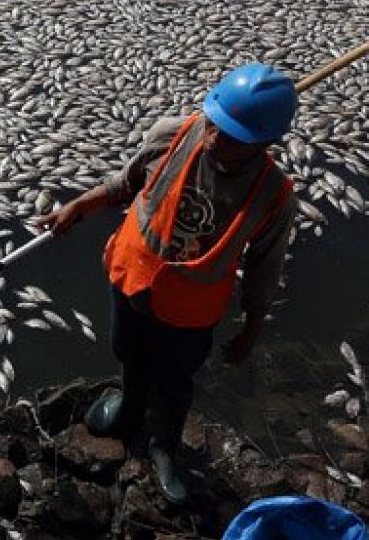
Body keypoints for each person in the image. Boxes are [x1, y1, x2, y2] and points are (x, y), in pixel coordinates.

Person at [35, 63, 299, 505]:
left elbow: (264, 267)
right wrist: (80, 205)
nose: (214, 139)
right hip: (131, 281)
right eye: (215, 125)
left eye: (232, 137)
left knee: (175, 380)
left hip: (189, 310)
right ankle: (127, 408)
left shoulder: (274, 195)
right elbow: (125, 184)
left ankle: (164, 446)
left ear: (264, 144)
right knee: (128, 353)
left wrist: (252, 327)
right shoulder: (173, 134)